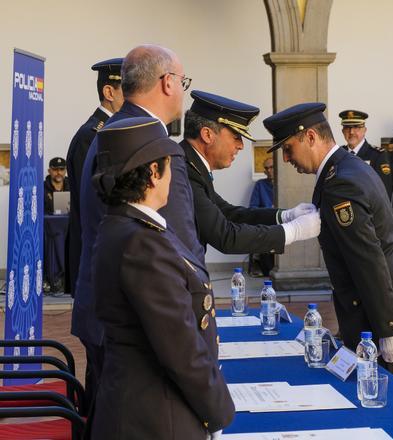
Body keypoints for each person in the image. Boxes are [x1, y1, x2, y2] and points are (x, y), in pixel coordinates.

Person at [263, 102, 393, 408]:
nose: (286, 158)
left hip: (390, 314)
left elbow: (368, 259)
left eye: (289, 147)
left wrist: (388, 330)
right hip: (385, 308)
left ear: (310, 137)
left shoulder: (341, 181)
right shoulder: (344, 169)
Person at [90, 117, 233, 439]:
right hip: (155, 416)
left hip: (142, 407)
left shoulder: (126, 226)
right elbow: (180, 348)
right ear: (153, 172)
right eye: (170, 167)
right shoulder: (142, 241)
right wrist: (218, 411)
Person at [73, 44, 190, 411]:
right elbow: (179, 244)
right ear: (168, 83)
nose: (183, 91)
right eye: (183, 82)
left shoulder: (117, 131)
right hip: (131, 317)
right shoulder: (144, 140)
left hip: (110, 309)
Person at [180, 90, 319, 256]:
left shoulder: (192, 165)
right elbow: (225, 236)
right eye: (236, 136)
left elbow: (229, 213)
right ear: (207, 134)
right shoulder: (184, 170)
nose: (241, 145)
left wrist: (284, 216)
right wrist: (293, 231)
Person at [65, 57, 123, 296]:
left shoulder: (113, 132)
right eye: (129, 91)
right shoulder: (91, 136)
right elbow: (95, 206)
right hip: (95, 257)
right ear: (109, 91)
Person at [338, 110, 392, 198]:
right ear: (343, 131)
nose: (351, 132)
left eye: (356, 127)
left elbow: (384, 192)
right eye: (347, 127)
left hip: (367, 210)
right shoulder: (338, 155)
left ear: (364, 130)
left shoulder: (378, 155)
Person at [250, 157, 276, 276]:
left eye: (272, 167)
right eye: (266, 168)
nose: (269, 170)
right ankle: (258, 264)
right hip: (266, 220)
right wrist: (268, 211)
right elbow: (252, 207)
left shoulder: (284, 184)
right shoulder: (260, 185)